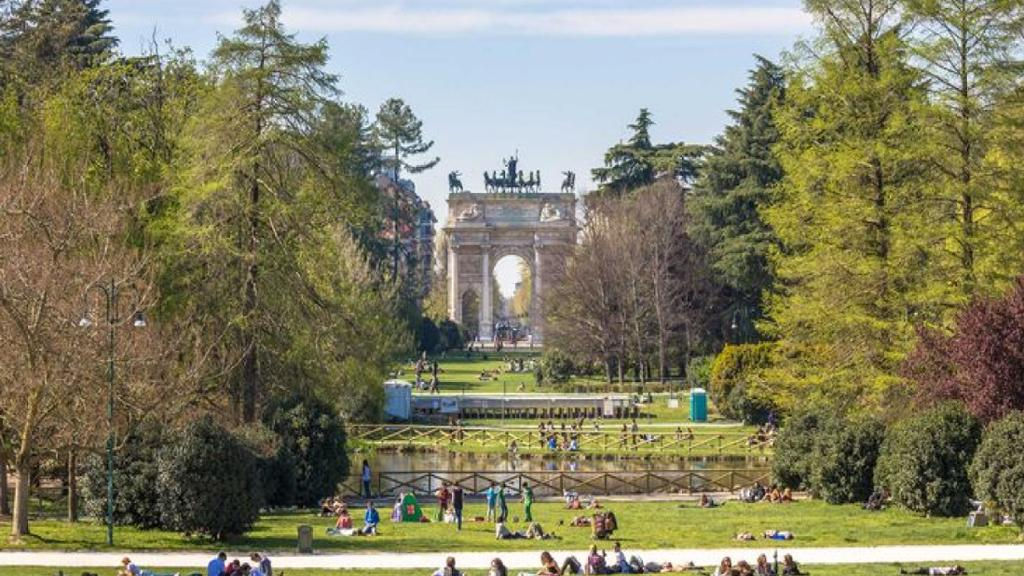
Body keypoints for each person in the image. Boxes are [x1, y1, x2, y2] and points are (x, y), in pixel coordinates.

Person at [899, 567, 967, 575]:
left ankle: (905, 573)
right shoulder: (952, 569)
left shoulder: (952, 571)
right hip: (933, 570)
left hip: (933, 571)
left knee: (920, 570)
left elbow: (947, 574)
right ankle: (905, 572)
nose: (955, 566)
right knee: (919, 570)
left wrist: (960, 573)